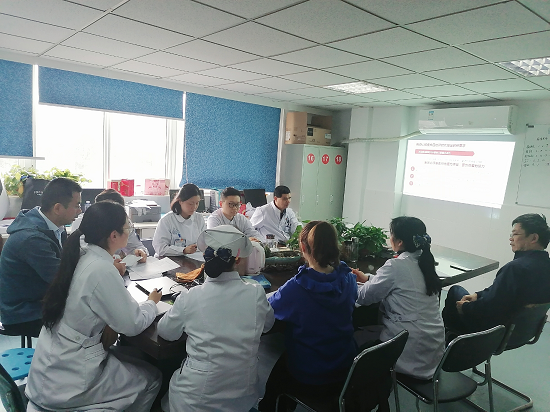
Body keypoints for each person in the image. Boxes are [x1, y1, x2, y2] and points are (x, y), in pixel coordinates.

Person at [25, 201, 162, 412]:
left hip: (53, 365)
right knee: (152, 378)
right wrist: (151, 303)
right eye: (128, 227)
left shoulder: (81, 253)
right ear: (114, 235)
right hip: (68, 381)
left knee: (135, 358)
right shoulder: (101, 270)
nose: (130, 231)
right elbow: (132, 324)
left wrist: (112, 270)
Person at [157, 225, 274, 412]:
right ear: (238, 259)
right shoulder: (256, 294)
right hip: (242, 398)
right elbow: (268, 325)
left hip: (195, 400)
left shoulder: (191, 297)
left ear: (205, 258)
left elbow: (166, 332)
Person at [259, 221, 357, 412]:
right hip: (346, 368)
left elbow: (268, 310)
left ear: (303, 248)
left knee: (279, 375)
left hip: (311, 375)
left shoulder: (297, 288)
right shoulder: (348, 277)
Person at [354, 216, 444, 379]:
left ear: (400, 242)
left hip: (409, 351)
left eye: (391, 234)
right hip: (432, 350)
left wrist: (347, 282)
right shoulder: (424, 261)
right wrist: (368, 279)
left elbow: (363, 297)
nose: (390, 238)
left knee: (354, 338)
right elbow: (400, 283)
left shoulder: (396, 265)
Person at [0, 178, 82, 337]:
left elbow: (65, 263)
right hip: (23, 313)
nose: (79, 211)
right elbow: (62, 279)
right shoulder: (32, 238)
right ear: (58, 208)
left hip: (40, 301)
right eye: (76, 205)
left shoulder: (55, 227)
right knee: (90, 318)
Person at [443, 213, 550, 334]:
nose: (511, 238)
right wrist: (478, 295)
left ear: (534, 238)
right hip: (521, 331)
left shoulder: (515, 268)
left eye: (515, 234)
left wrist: (465, 307)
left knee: (455, 291)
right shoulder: (545, 265)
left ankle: (451, 339)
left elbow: (491, 308)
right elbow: (501, 293)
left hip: (493, 331)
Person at [153, 183, 205, 257]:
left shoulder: (199, 218)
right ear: (180, 201)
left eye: (197, 203)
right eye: (190, 204)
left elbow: (205, 242)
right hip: (169, 259)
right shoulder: (167, 220)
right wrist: (183, 250)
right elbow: (160, 248)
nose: (194, 207)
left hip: (193, 258)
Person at [95, 188, 148, 262]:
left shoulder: (124, 222)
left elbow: (135, 246)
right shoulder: (86, 225)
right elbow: (86, 255)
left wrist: (140, 252)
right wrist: (112, 262)